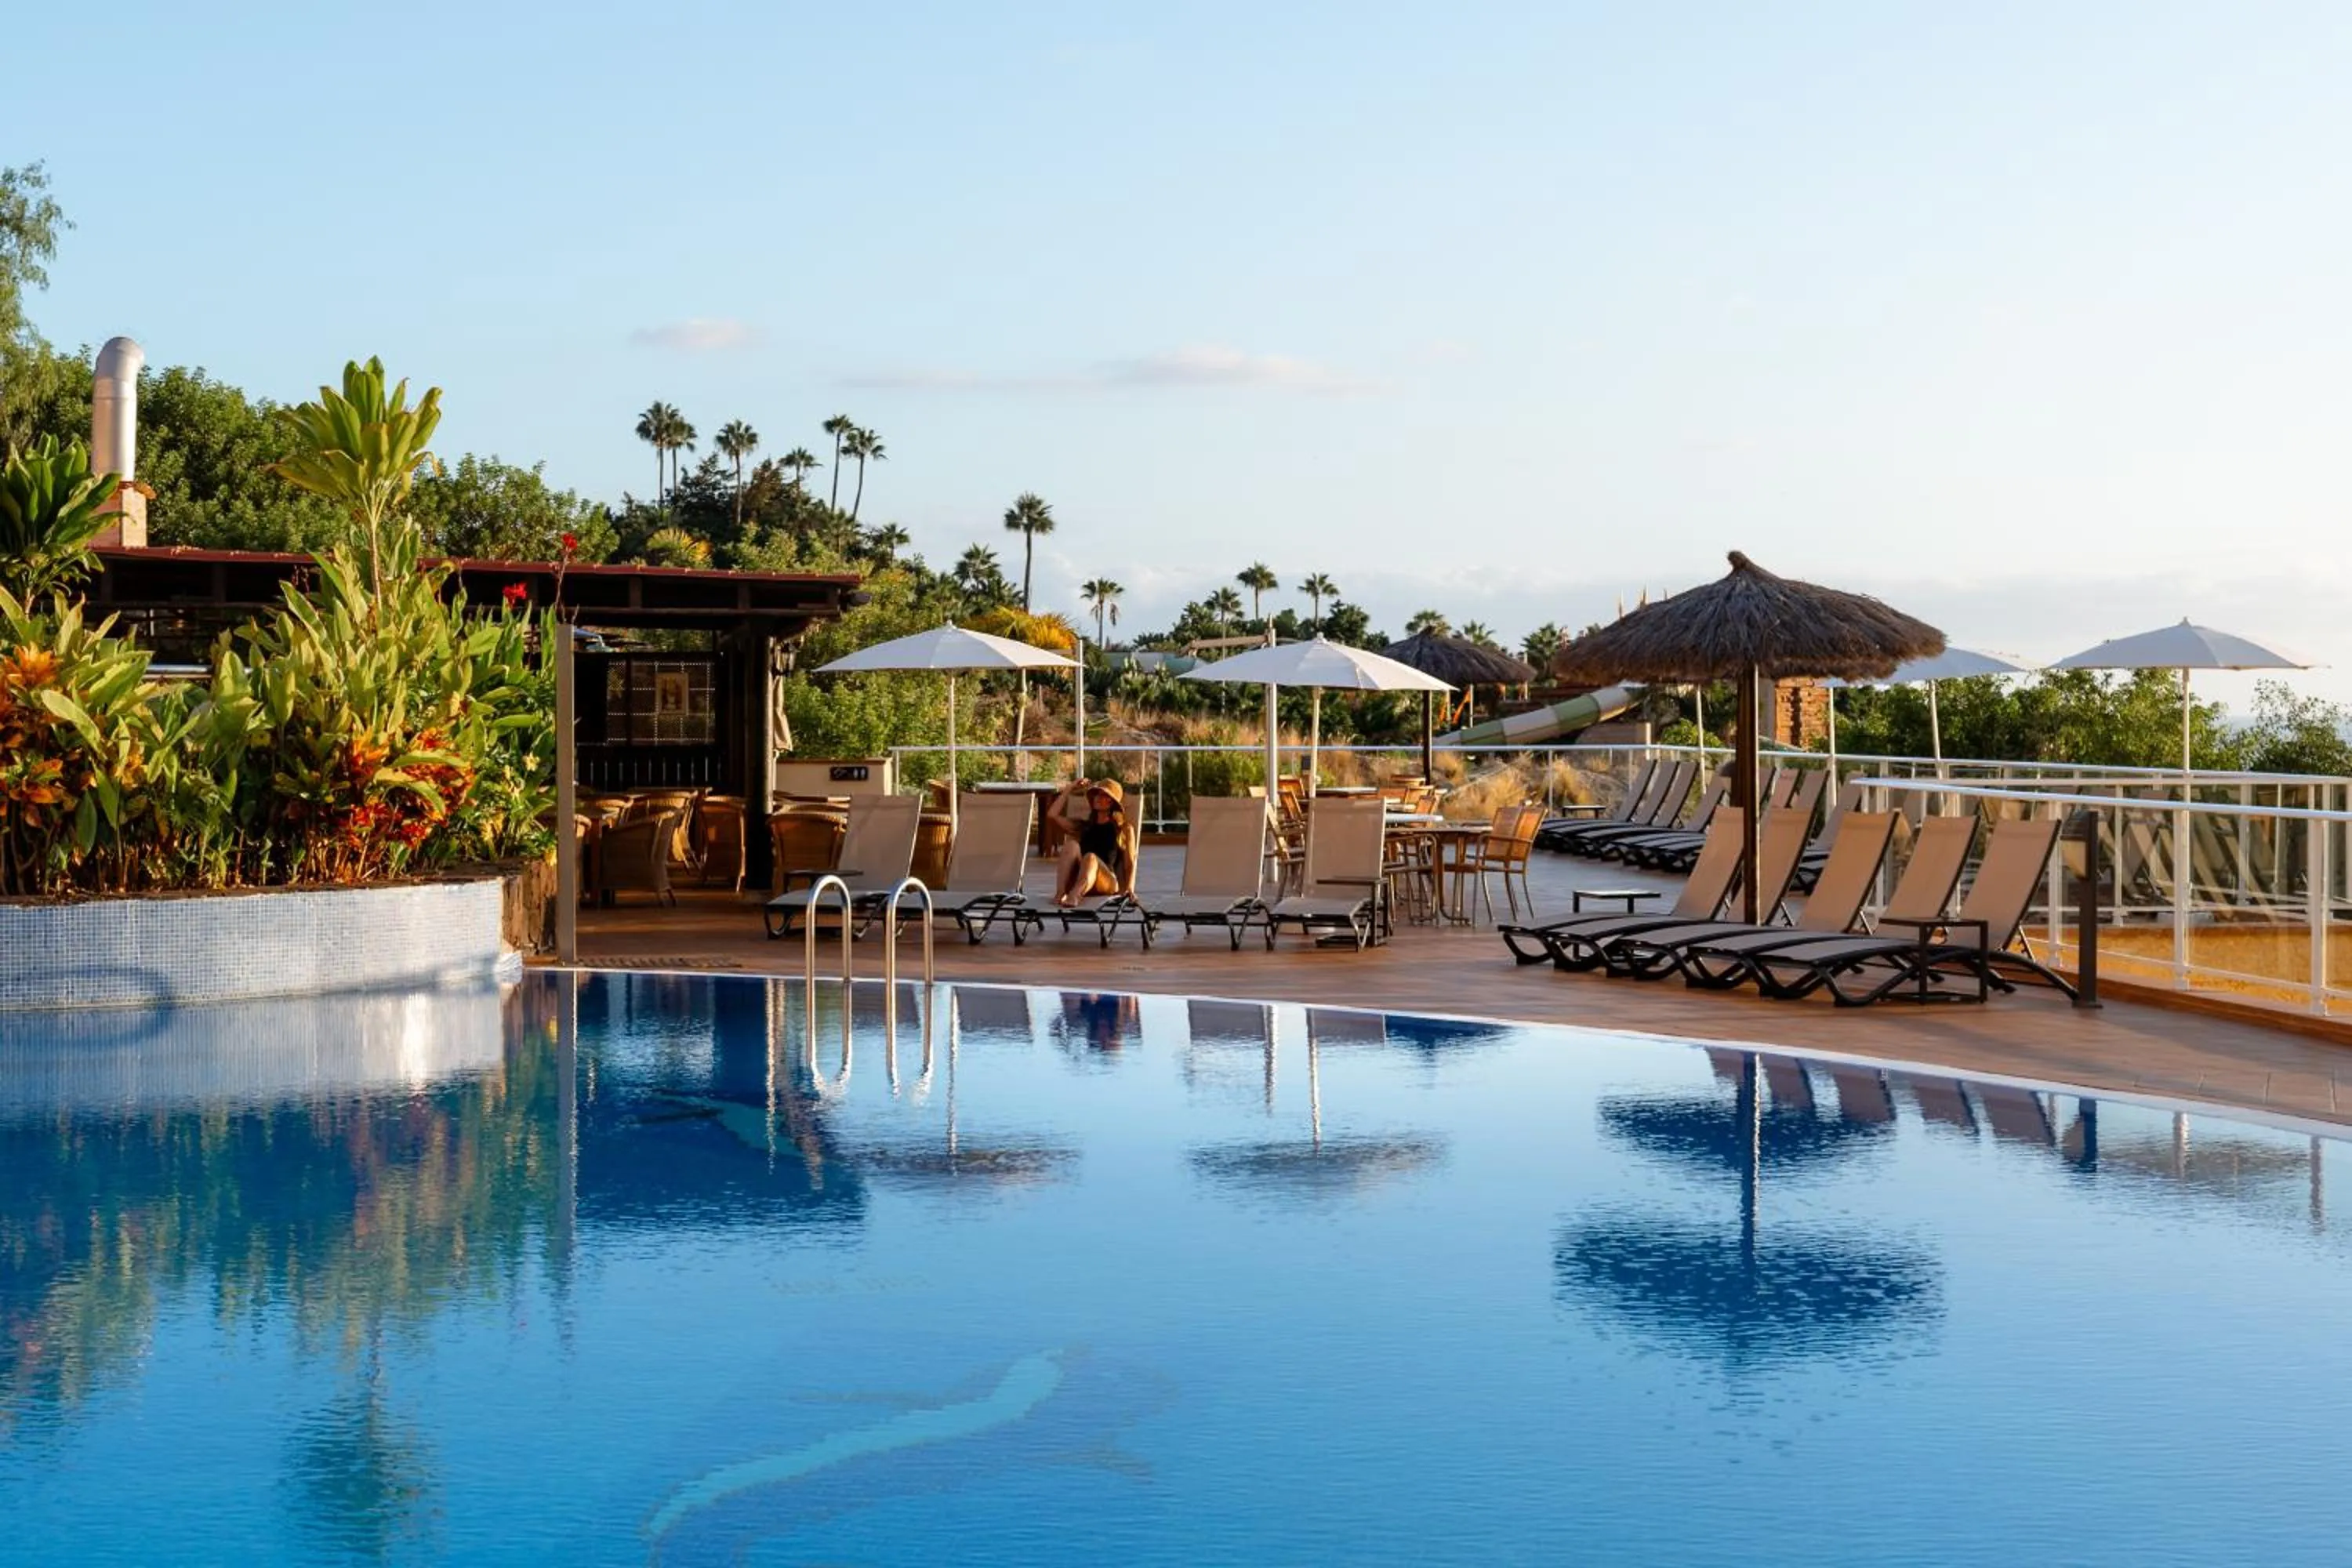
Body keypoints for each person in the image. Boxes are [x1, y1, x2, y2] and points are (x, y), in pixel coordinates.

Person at [1053, 785, 1131, 906]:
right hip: (1082, 878)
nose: (1097, 798)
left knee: (1090, 857)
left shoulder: (1122, 829)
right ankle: (1061, 893)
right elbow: (1053, 815)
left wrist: (1129, 889)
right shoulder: (1085, 826)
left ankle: (1075, 896)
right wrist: (1070, 788)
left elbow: (1130, 861)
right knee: (1071, 845)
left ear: (1112, 803)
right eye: (1096, 795)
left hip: (1106, 882)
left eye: (1104, 795)